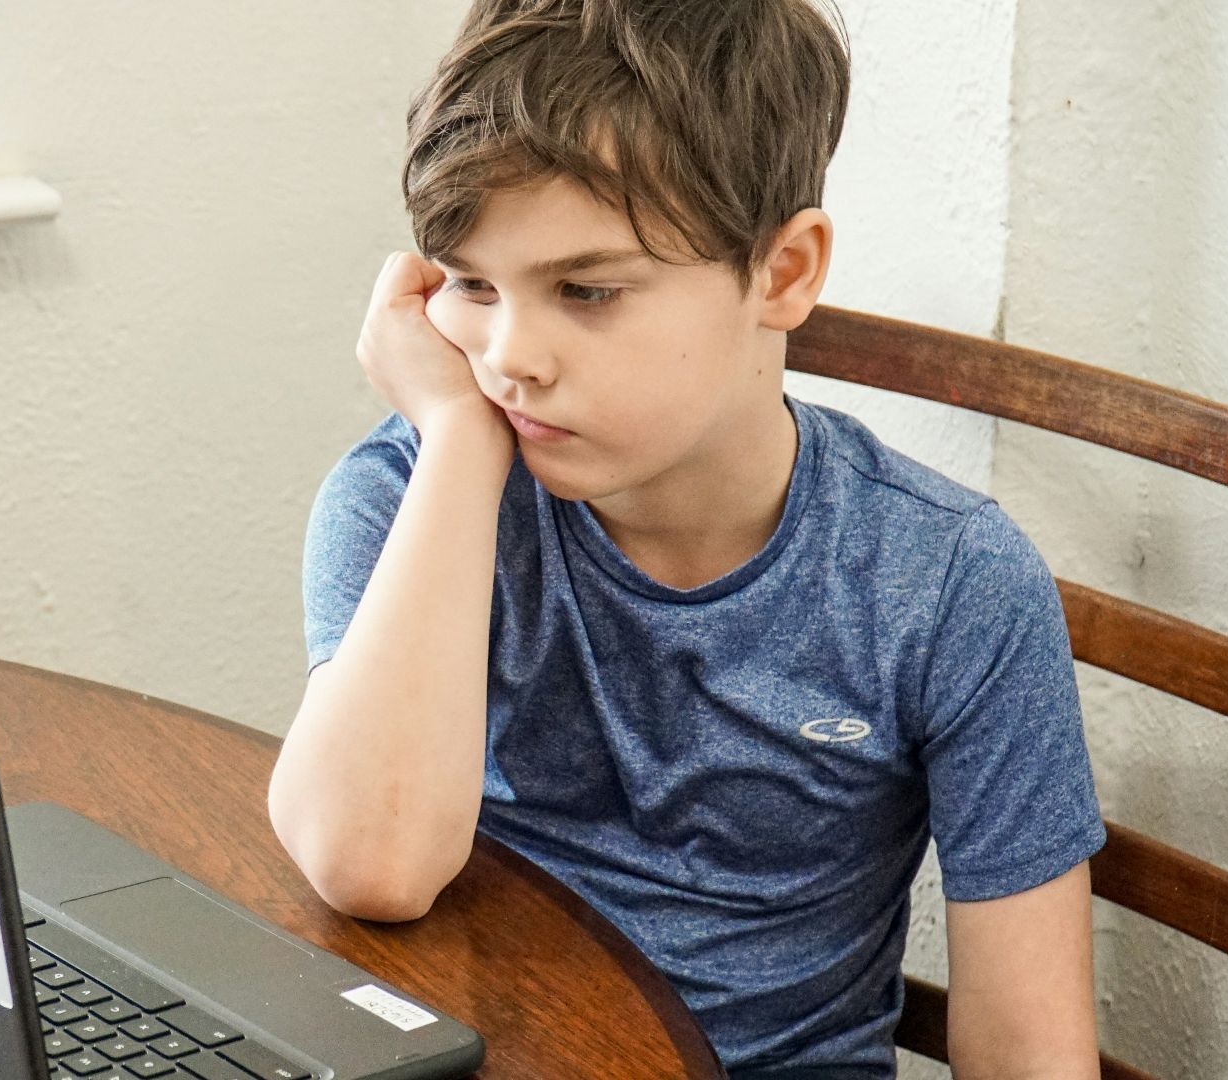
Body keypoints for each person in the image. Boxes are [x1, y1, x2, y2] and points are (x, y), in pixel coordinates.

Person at [267, 1, 1104, 1076]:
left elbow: (1029, 1057)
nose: (510, 357)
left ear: (785, 271)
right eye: (473, 285)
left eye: (588, 290)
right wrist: (461, 447)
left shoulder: (947, 583)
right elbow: (367, 862)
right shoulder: (408, 493)